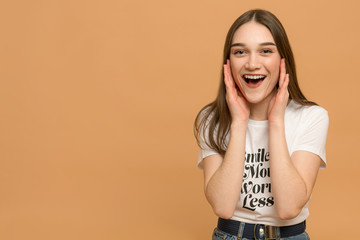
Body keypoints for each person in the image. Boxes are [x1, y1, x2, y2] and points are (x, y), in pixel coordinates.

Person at [194, 9, 329, 240]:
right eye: (240, 52)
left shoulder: (312, 117)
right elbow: (223, 207)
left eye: (265, 51)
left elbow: (289, 208)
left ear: (282, 60)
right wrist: (239, 122)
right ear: (228, 63)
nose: (252, 63)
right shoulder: (212, 119)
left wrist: (275, 122)